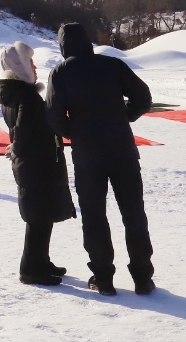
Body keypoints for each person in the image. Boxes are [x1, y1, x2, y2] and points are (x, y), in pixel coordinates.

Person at [47, 22, 154, 296]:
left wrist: (76, 132)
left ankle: (103, 278)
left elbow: (54, 116)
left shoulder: (61, 73)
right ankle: (143, 277)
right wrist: (125, 116)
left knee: (94, 216)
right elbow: (143, 97)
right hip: (122, 149)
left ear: (63, 45)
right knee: (134, 213)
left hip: (87, 155)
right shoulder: (112, 65)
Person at [0, 42, 76, 286]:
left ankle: (41, 261)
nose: (35, 67)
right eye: (30, 62)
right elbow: (22, 130)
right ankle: (31, 269)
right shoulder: (27, 96)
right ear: (19, 66)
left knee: (42, 215)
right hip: (37, 164)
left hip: (33, 163)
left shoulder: (15, 92)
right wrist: (18, 149)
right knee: (39, 217)